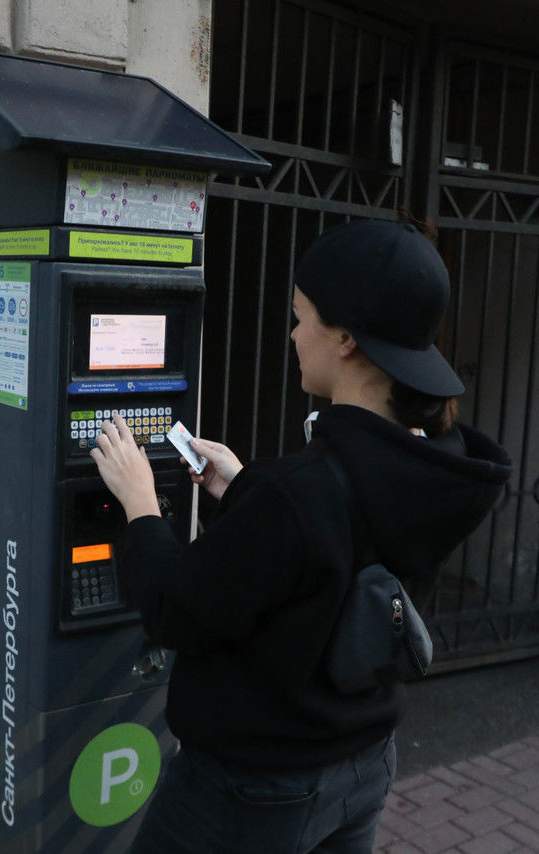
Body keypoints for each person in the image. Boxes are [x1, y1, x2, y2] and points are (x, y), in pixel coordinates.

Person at [89, 220, 513, 853]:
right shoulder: (437, 463)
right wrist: (242, 489)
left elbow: (178, 611)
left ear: (344, 339)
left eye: (300, 316)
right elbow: (336, 553)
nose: (293, 335)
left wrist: (141, 506)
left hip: (254, 789)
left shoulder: (299, 492)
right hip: (364, 765)